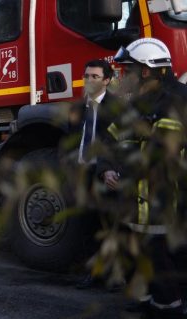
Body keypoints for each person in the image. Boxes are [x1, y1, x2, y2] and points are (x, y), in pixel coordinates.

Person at [105, 37, 187, 319]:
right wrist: (105, 169)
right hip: (132, 204)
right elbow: (109, 142)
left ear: (149, 71)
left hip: (162, 202)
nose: (124, 76)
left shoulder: (174, 103)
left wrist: (122, 174)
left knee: (163, 267)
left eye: (130, 70)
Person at [71, 59, 125, 290]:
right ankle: (94, 273)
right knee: (86, 225)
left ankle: (115, 276)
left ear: (107, 80)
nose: (89, 80)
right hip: (83, 172)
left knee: (110, 225)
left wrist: (111, 170)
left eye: (94, 77)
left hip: (105, 173)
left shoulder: (117, 108)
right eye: (86, 76)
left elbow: (119, 144)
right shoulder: (77, 107)